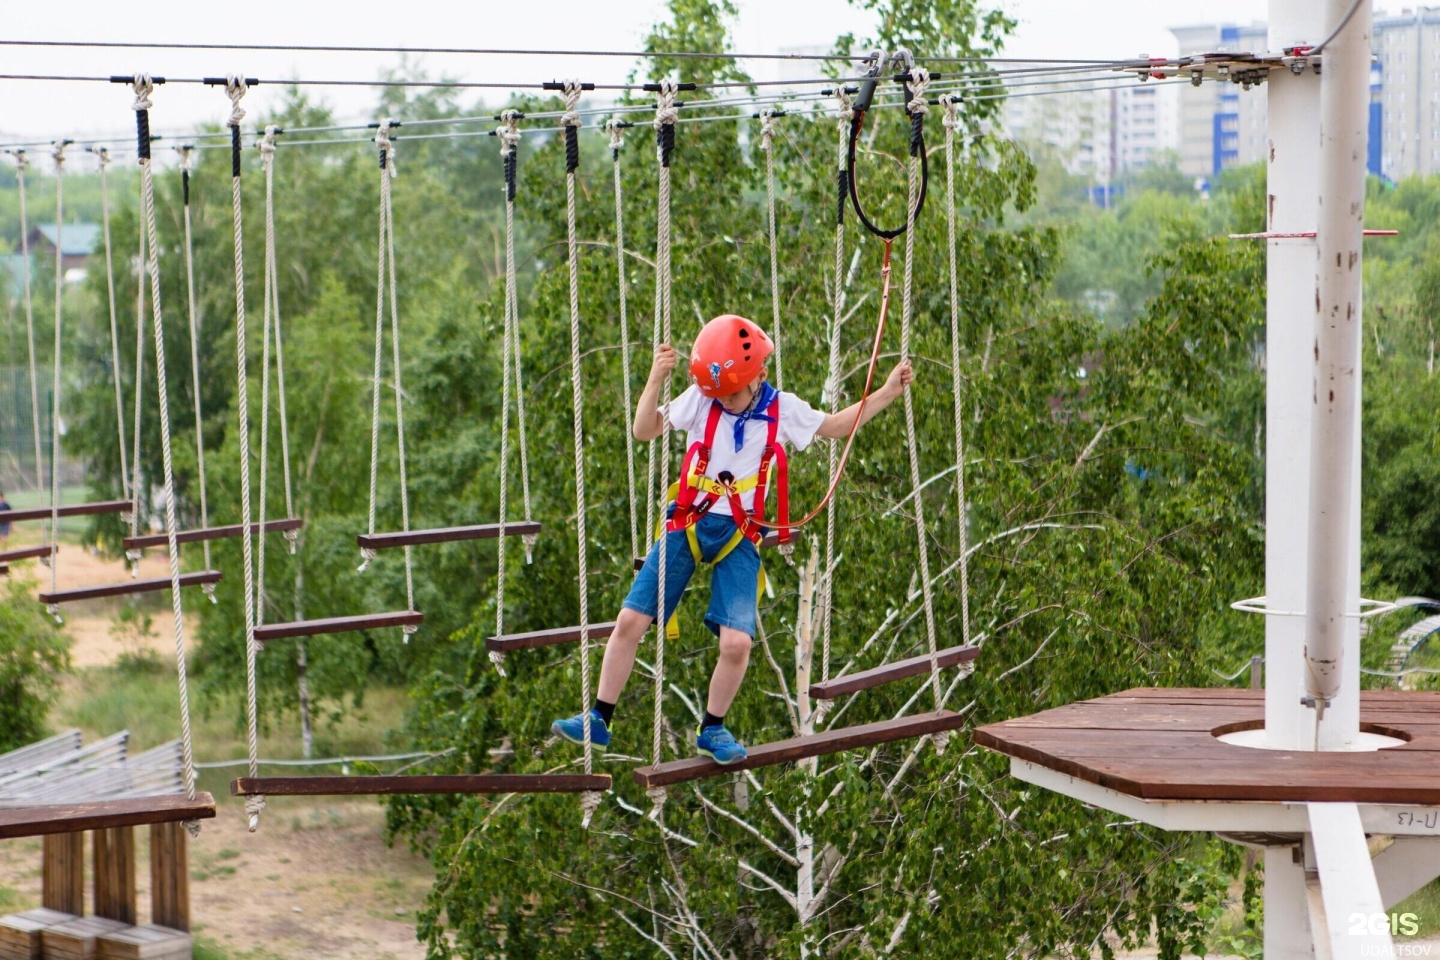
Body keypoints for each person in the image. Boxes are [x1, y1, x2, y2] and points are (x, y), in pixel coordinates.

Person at [552, 314, 914, 764]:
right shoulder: (703, 399)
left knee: (737, 643)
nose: (723, 399)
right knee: (629, 621)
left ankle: (713, 728)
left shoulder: (782, 409)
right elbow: (644, 430)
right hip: (688, 522)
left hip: (741, 534)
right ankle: (600, 718)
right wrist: (654, 379)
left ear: (759, 376)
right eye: (717, 392)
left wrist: (888, 391)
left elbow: (837, 426)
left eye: (731, 392)